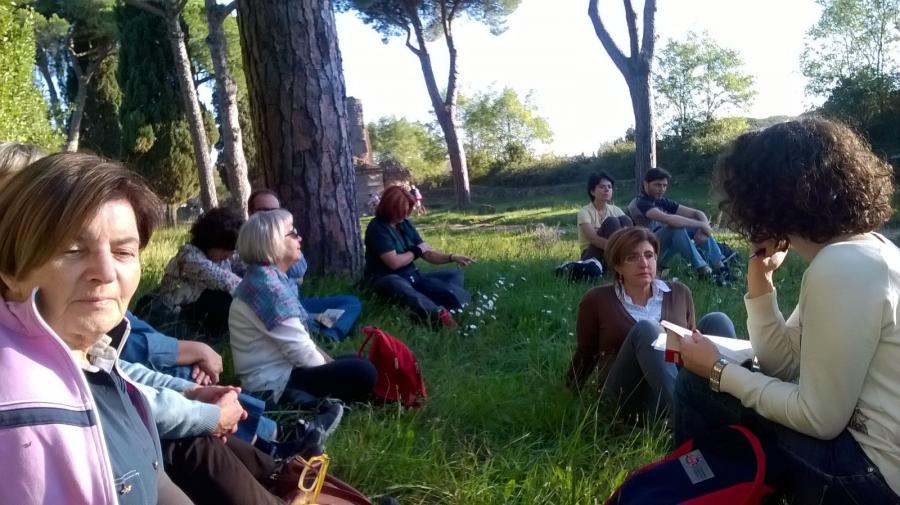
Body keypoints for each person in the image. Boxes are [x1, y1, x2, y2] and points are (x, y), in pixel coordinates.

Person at [674, 118, 900, 503]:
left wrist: (718, 370)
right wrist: (760, 279)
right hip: (872, 461)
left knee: (696, 383)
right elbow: (781, 364)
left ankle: (689, 491)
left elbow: (818, 418)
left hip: (869, 479)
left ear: (765, 198)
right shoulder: (866, 251)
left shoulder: (842, 266)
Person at [0, 153, 191, 504]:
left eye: (123, 252)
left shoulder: (98, 357)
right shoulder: (13, 404)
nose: (105, 272)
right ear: (10, 269)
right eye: (73, 250)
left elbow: (156, 480)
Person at [566, 227, 735, 419]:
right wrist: (568, 394)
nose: (644, 263)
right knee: (647, 329)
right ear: (618, 265)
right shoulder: (597, 299)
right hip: (626, 394)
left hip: (672, 384)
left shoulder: (680, 292)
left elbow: (691, 344)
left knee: (718, 320)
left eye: (649, 255)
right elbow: (585, 353)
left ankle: (731, 410)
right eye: (632, 257)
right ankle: (688, 421)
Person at [229, 209, 377, 404]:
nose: (299, 237)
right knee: (363, 372)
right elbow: (301, 352)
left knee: (358, 363)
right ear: (273, 242)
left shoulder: (264, 279)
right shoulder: (268, 290)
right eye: (292, 233)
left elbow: (301, 344)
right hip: (273, 386)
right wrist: (331, 371)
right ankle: (309, 403)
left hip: (278, 374)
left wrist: (332, 366)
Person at [247, 188, 362, 341]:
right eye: (264, 211)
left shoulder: (286, 235)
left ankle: (325, 329)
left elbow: (300, 270)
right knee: (326, 318)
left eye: (276, 211)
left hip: (297, 303)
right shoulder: (248, 244)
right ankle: (328, 333)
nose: (272, 216)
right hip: (279, 310)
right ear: (251, 213)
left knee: (350, 303)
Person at [363, 185, 473, 329]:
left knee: (455, 274)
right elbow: (394, 263)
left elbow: (427, 254)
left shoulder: (404, 224)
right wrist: (416, 251)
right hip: (386, 279)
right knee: (395, 283)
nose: (405, 215)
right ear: (389, 208)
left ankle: (445, 301)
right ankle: (439, 315)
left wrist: (452, 257)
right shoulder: (377, 228)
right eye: (401, 212)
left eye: (407, 211)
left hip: (412, 276)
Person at [156, 207, 245, 340]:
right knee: (225, 298)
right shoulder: (190, 257)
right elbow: (225, 280)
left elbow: (245, 263)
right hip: (175, 314)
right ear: (211, 242)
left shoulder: (218, 256)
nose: (229, 255)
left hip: (195, 308)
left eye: (232, 250)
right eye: (225, 249)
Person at [628, 167, 727, 281]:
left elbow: (697, 213)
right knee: (675, 228)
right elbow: (669, 219)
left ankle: (720, 266)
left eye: (664, 186)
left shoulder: (661, 201)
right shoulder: (640, 203)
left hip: (663, 248)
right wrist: (700, 225)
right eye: (657, 185)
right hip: (645, 251)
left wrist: (703, 227)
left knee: (692, 227)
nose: (662, 189)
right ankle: (703, 269)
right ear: (646, 184)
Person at [576, 171, 633, 266]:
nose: (607, 189)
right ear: (592, 191)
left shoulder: (616, 210)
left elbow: (629, 233)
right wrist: (618, 248)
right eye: (602, 187)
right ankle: (620, 260)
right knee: (612, 221)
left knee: (625, 219)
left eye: (609, 187)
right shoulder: (584, 212)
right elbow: (594, 239)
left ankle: (622, 261)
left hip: (613, 251)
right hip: (591, 254)